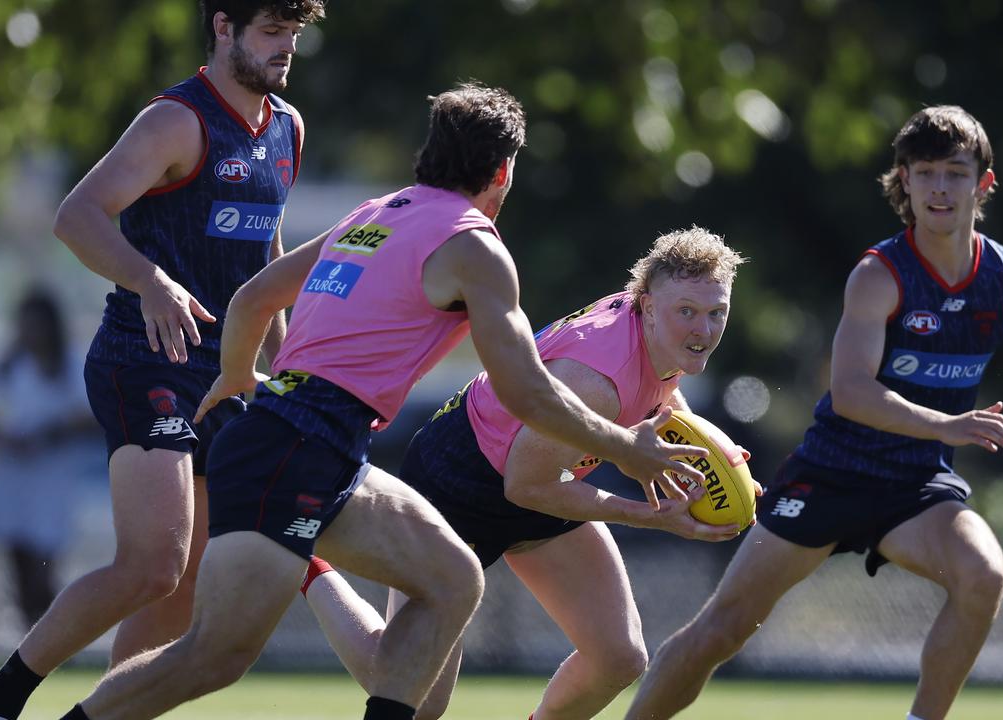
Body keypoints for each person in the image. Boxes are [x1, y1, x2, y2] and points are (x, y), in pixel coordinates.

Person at [48, 82, 708, 720]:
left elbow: (252, 298)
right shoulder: (476, 246)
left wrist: (243, 378)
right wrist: (626, 448)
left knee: (452, 580)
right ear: (502, 172)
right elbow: (526, 390)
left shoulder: (377, 211)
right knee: (212, 657)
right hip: (302, 444)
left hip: (307, 438)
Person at [626, 106, 1003, 720]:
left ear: (983, 185)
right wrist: (949, 426)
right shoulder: (880, 276)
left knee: (984, 575)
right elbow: (852, 393)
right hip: (831, 474)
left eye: (956, 173)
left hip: (916, 487)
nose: (940, 187)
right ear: (903, 181)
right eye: (926, 171)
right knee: (722, 629)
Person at [0, 2, 327, 719]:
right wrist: (150, 280)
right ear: (223, 27)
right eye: (271, 32)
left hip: (227, 372)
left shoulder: (287, 126)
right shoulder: (175, 120)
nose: (286, 50)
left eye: (295, 35)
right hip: (145, 359)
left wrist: (286, 371)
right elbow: (77, 216)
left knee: (183, 583)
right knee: (152, 564)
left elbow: (267, 261)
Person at [303, 227, 748, 720]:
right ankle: (309, 567)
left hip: (544, 475)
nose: (703, 330)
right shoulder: (594, 380)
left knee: (618, 657)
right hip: (459, 483)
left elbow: (661, 399)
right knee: (414, 694)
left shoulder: (661, 330)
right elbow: (527, 485)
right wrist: (650, 515)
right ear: (645, 303)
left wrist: (720, 460)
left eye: (716, 313)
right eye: (687, 311)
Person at [0, 288, 98, 630]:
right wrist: (4, 435)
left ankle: (53, 633)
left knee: (46, 561)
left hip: (52, 477)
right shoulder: (7, 368)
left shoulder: (70, 364)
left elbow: (88, 415)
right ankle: (32, 637)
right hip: (12, 477)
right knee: (19, 559)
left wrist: (47, 432)